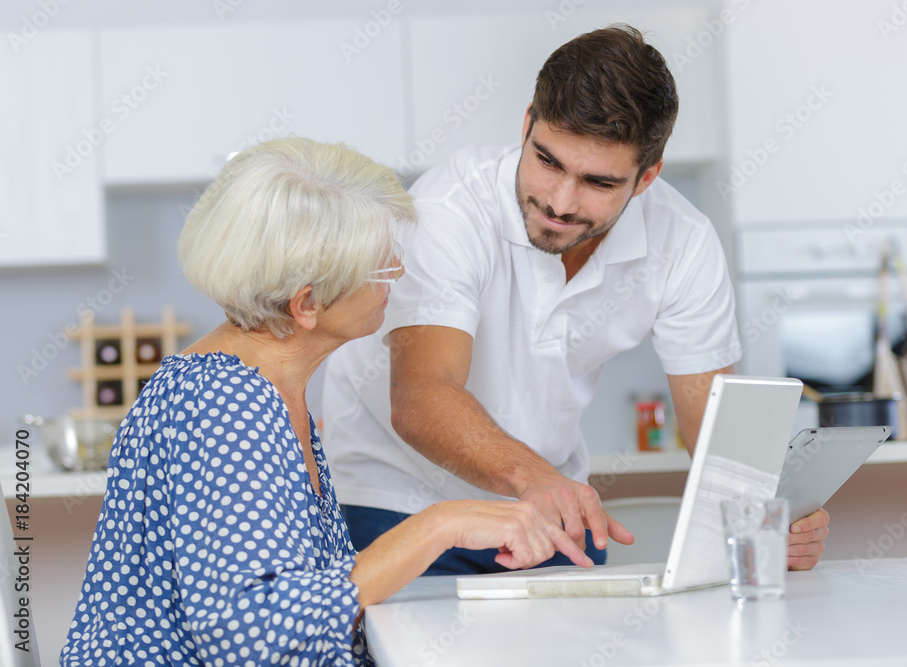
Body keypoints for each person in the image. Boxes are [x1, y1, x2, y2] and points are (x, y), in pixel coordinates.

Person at [60, 138, 592, 666]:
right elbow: (253, 635)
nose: (399, 275)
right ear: (308, 303)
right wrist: (442, 524)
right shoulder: (224, 406)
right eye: (382, 268)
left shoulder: (258, 388)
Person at [322, 24, 830, 575]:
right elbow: (421, 395)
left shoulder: (683, 242)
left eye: (598, 182)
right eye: (548, 161)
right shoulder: (449, 210)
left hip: (549, 508)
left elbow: (713, 428)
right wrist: (534, 477)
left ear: (646, 178)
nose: (560, 202)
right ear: (526, 126)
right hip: (394, 501)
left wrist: (766, 513)